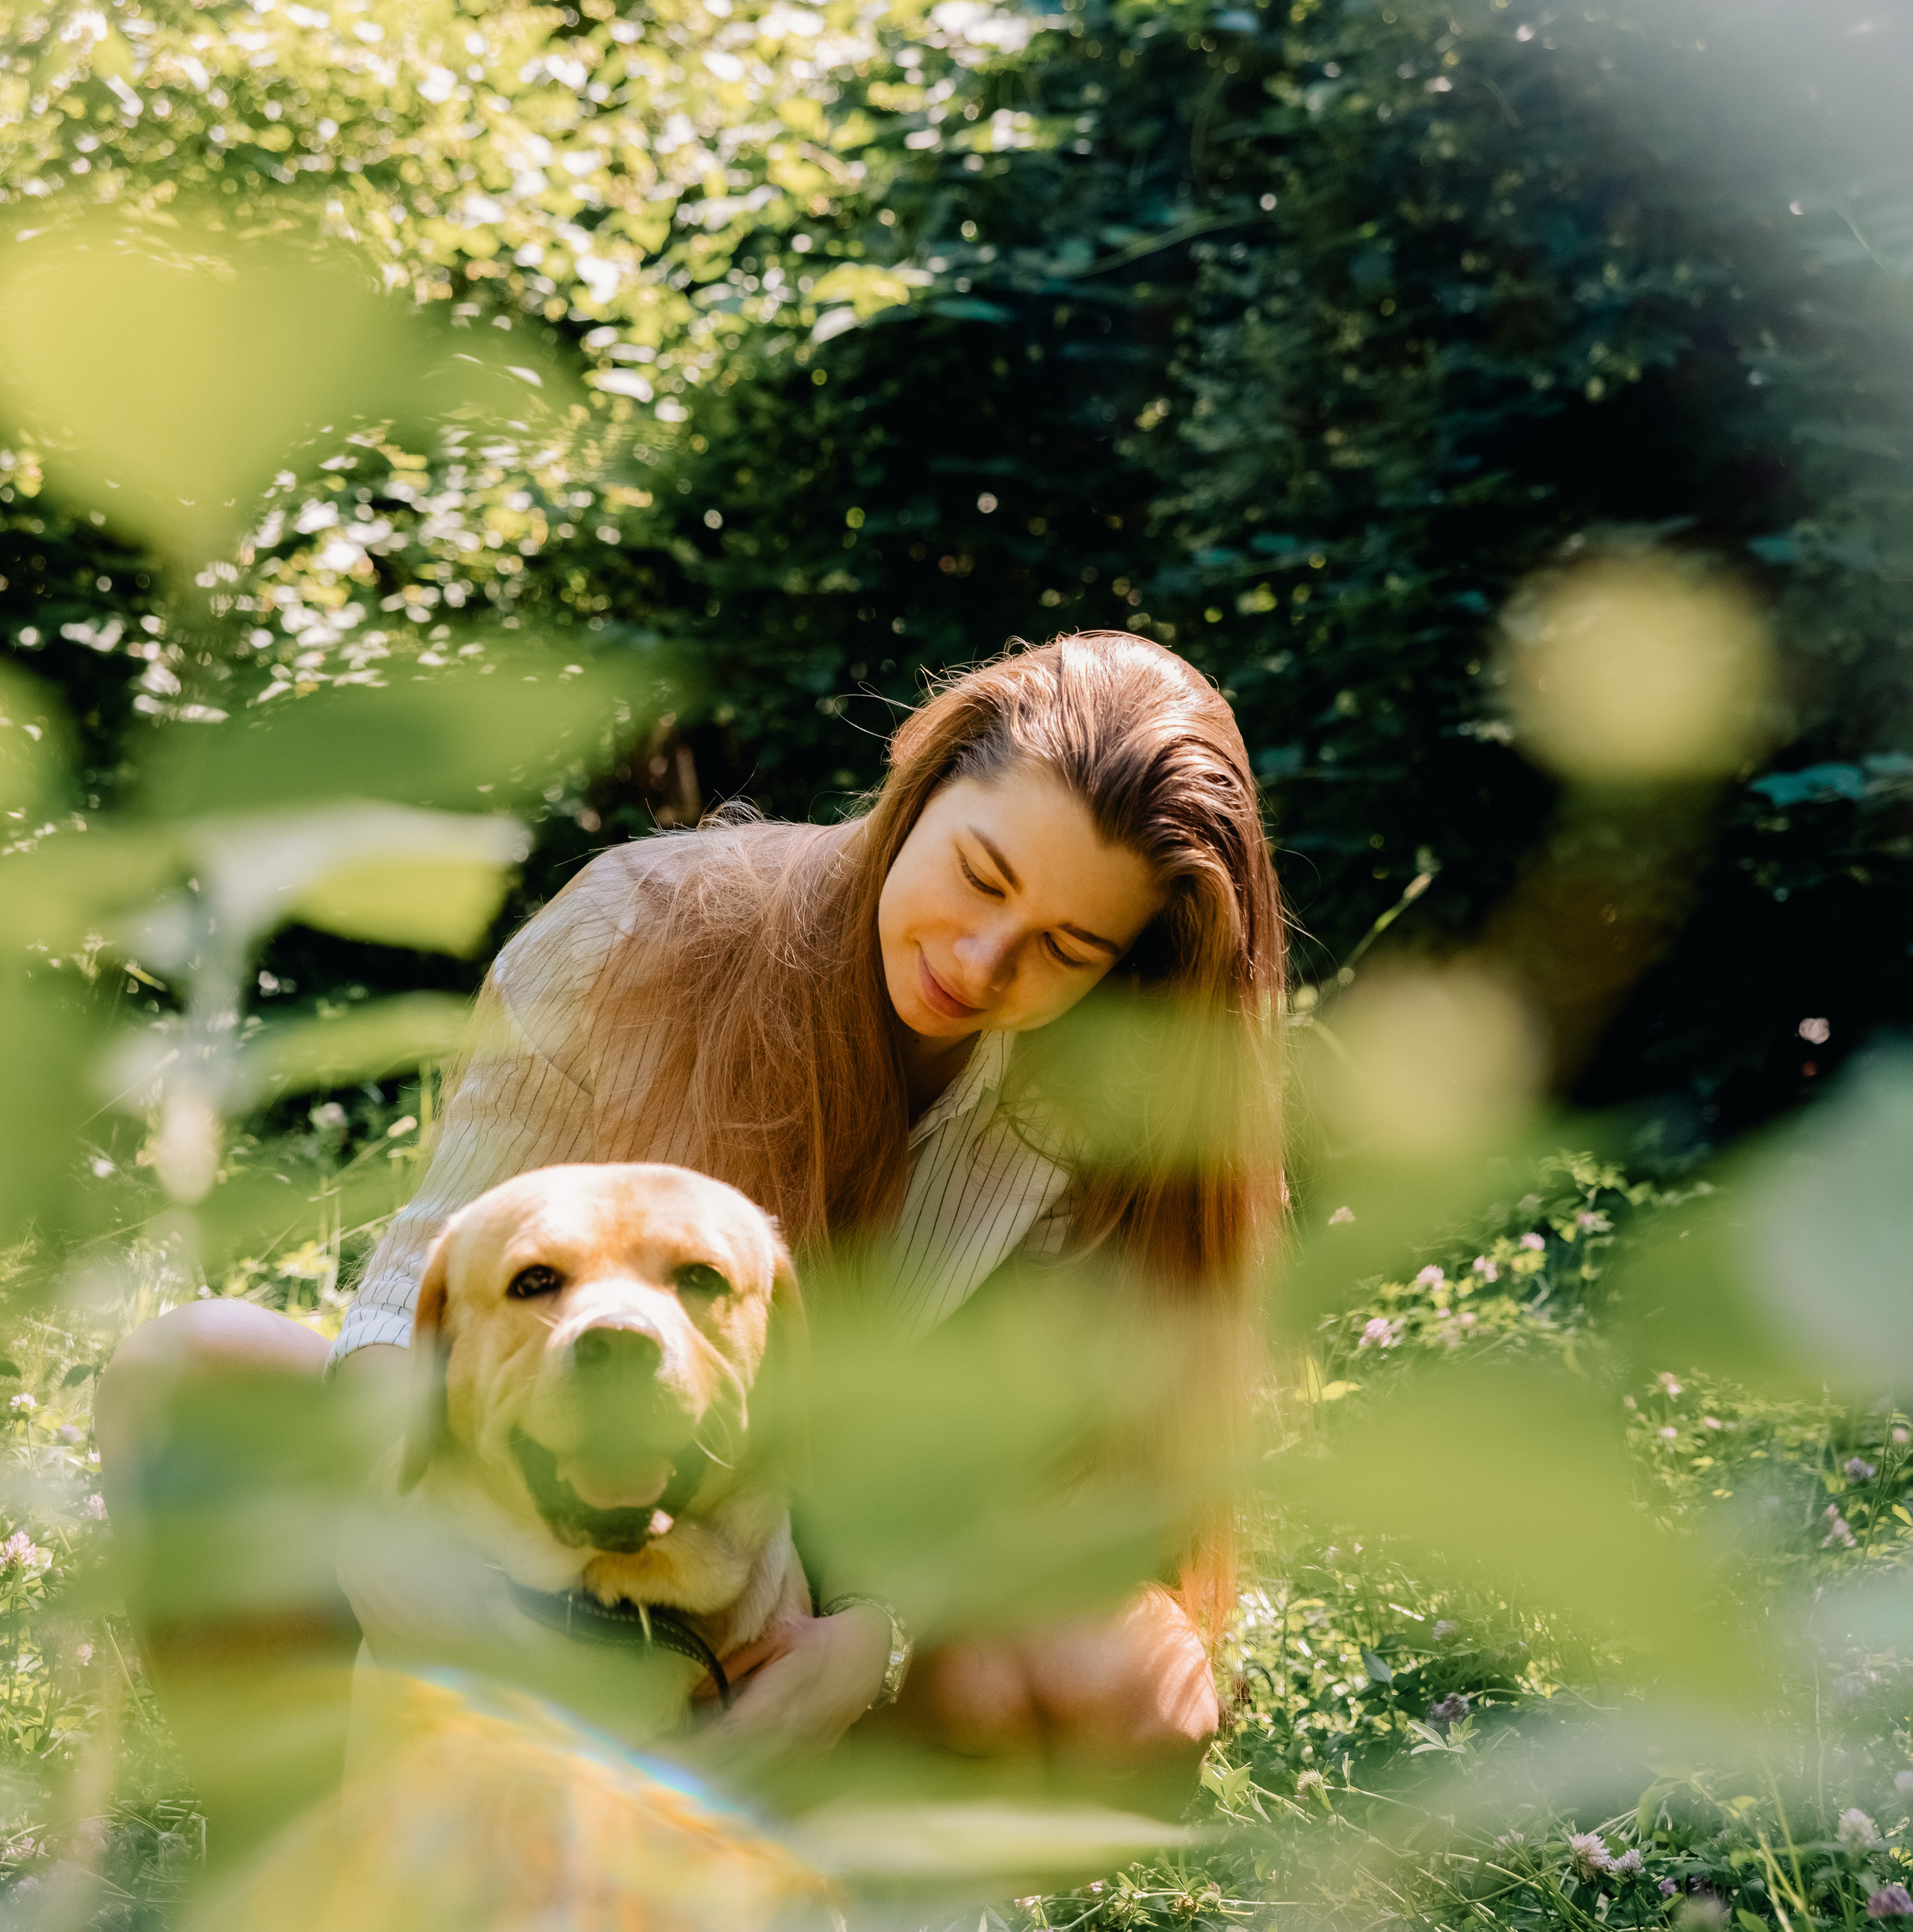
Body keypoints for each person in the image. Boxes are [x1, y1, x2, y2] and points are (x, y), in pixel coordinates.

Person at [99, 631, 1284, 1783]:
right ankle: (317, 1821)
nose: (981, 963)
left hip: (777, 1586)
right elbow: (418, 1285)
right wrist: (390, 1553)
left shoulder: (1076, 1110)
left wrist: (857, 1638)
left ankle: (764, 1847)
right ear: (917, 791)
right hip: (503, 1520)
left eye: (1066, 947)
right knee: (191, 1376)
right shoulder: (634, 933)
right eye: (980, 876)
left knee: (1128, 1688)